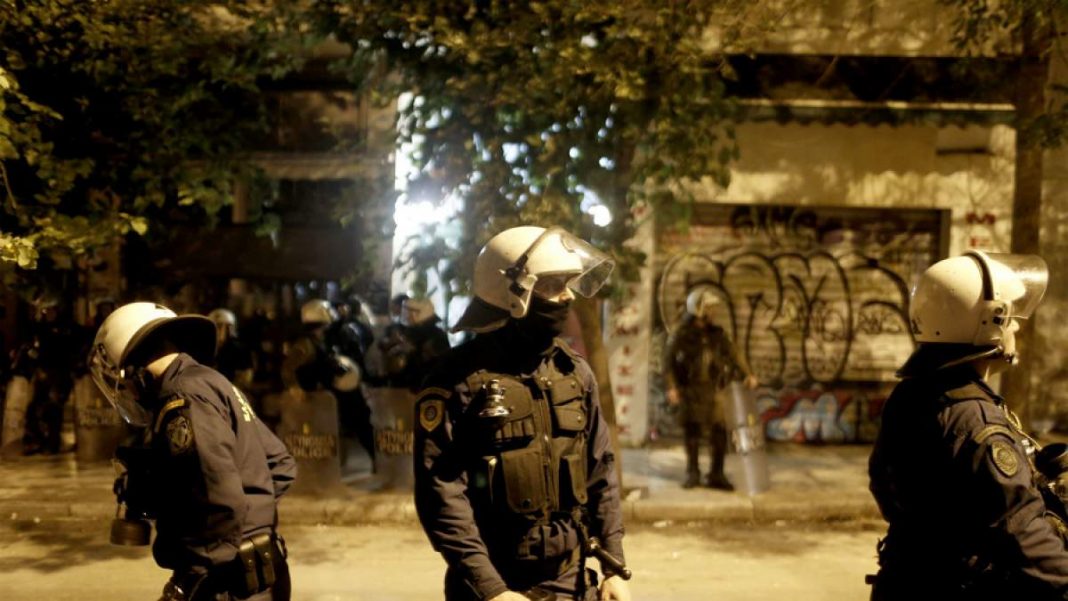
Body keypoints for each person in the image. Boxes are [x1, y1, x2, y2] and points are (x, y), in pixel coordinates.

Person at [414, 225, 630, 601]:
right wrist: (491, 589)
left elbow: (601, 472)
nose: (567, 296)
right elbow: (440, 492)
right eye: (553, 285)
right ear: (513, 295)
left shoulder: (573, 373)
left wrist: (613, 566)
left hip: (572, 583)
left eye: (568, 283)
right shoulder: (456, 380)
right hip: (494, 587)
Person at [867, 250, 1068, 600]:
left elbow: (886, 489)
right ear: (990, 323)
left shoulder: (911, 393)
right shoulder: (976, 419)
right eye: (1011, 318)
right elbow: (1022, 534)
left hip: (902, 582)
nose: (1017, 326)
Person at [88, 302, 296, 601]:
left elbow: (217, 493)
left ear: (133, 367)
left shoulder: (182, 397)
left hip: (226, 580)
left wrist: (198, 571)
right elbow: (278, 464)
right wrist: (250, 522)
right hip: (261, 574)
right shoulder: (211, 381)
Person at [663, 286, 758, 490]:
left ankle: (716, 474)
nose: (713, 312)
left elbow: (735, 354)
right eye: (709, 308)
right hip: (691, 390)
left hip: (716, 390)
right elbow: (668, 363)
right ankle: (693, 472)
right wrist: (672, 387)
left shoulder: (718, 334)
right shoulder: (681, 335)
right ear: (698, 309)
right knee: (692, 432)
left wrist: (747, 374)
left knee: (719, 432)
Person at [284, 299, 373, 464]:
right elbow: (289, 368)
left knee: (359, 420)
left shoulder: (322, 339)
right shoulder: (305, 344)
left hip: (332, 391)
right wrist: (295, 387)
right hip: (317, 395)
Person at [208, 308, 256, 391]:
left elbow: (244, 378)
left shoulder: (240, 350)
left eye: (220, 326)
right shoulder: (204, 349)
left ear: (230, 329)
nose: (216, 331)